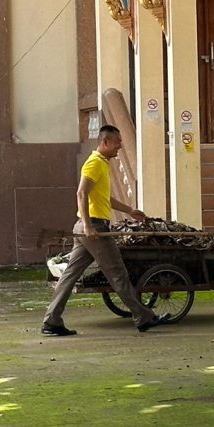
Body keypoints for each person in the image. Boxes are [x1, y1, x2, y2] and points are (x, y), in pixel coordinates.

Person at [42, 125, 169, 335]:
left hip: (86, 227)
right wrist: (89, 226)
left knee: (70, 275)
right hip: (94, 228)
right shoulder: (94, 163)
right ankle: (144, 317)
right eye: (118, 142)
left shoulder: (102, 164)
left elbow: (104, 199)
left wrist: (130, 210)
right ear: (105, 142)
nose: (120, 146)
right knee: (118, 273)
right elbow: (81, 193)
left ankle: (51, 321)